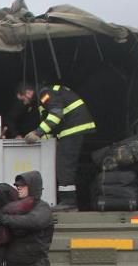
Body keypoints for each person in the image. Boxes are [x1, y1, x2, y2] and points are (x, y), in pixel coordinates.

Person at [18, 82, 96, 212]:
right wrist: (41, 137)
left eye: (23, 99)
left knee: (64, 166)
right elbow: (52, 126)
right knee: (64, 165)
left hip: (73, 130)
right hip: (72, 130)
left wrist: (37, 133)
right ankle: (68, 202)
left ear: (28, 93)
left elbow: (56, 115)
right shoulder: (47, 96)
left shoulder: (45, 94)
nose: (24, 103)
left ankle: (69, 203)